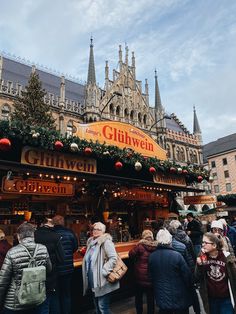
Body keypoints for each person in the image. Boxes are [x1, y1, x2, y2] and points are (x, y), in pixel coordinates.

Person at [0, 222, 51, 314]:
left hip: (15, 303)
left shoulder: (12, 252)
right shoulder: (43, 249)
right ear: (33, 235)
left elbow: (2, 282)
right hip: (37, 298)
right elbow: (49, 269)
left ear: (19, 236)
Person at [149, 229, 193, 314]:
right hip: (179, 297)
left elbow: (150, 277)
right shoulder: (177, 256)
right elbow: (187, 276)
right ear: (170, 240)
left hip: (161, 297)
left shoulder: (152, 256)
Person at [82, 222, 119, 314]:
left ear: (103, 231)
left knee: (103, 307)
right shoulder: (91, 242)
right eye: (94, 229)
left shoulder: (106, 242)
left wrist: (104, 271)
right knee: (97, 308)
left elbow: (113, 258)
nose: (96, 231)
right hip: (93, 281)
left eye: (99, 229)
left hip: (103, 281)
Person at [195, 232, 236, 314]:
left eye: (206, 243)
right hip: (210, 299)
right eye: (202, 242)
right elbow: (196, 278)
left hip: (226, 299)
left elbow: (234, 277)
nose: (203, 245)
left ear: (214, 245)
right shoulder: (202, 256)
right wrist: (199, 266)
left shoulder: (226, 256)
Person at [35, 218, 65, 314]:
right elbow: (62, 258)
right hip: (51, 273)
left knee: (39, 302)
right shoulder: (56, 236)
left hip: (35, 273)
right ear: (52, 225)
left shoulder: (33, 235)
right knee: (52, 299)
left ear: (41, 224)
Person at [52, 215, 78, 314]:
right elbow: (75, 248)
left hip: (55, 269)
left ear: (53, 223)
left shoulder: (51, 233)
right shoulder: (70, 233)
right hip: (67, 269)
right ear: (63, 222)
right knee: (66, 295)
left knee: (55, 295)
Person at [129, 230, 157, 314]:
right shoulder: (156, 246)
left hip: (139, 276)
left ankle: (139, 312)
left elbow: (130, 254)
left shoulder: (140, 246)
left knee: (139, 297)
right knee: (150, 297)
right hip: (151, 276)